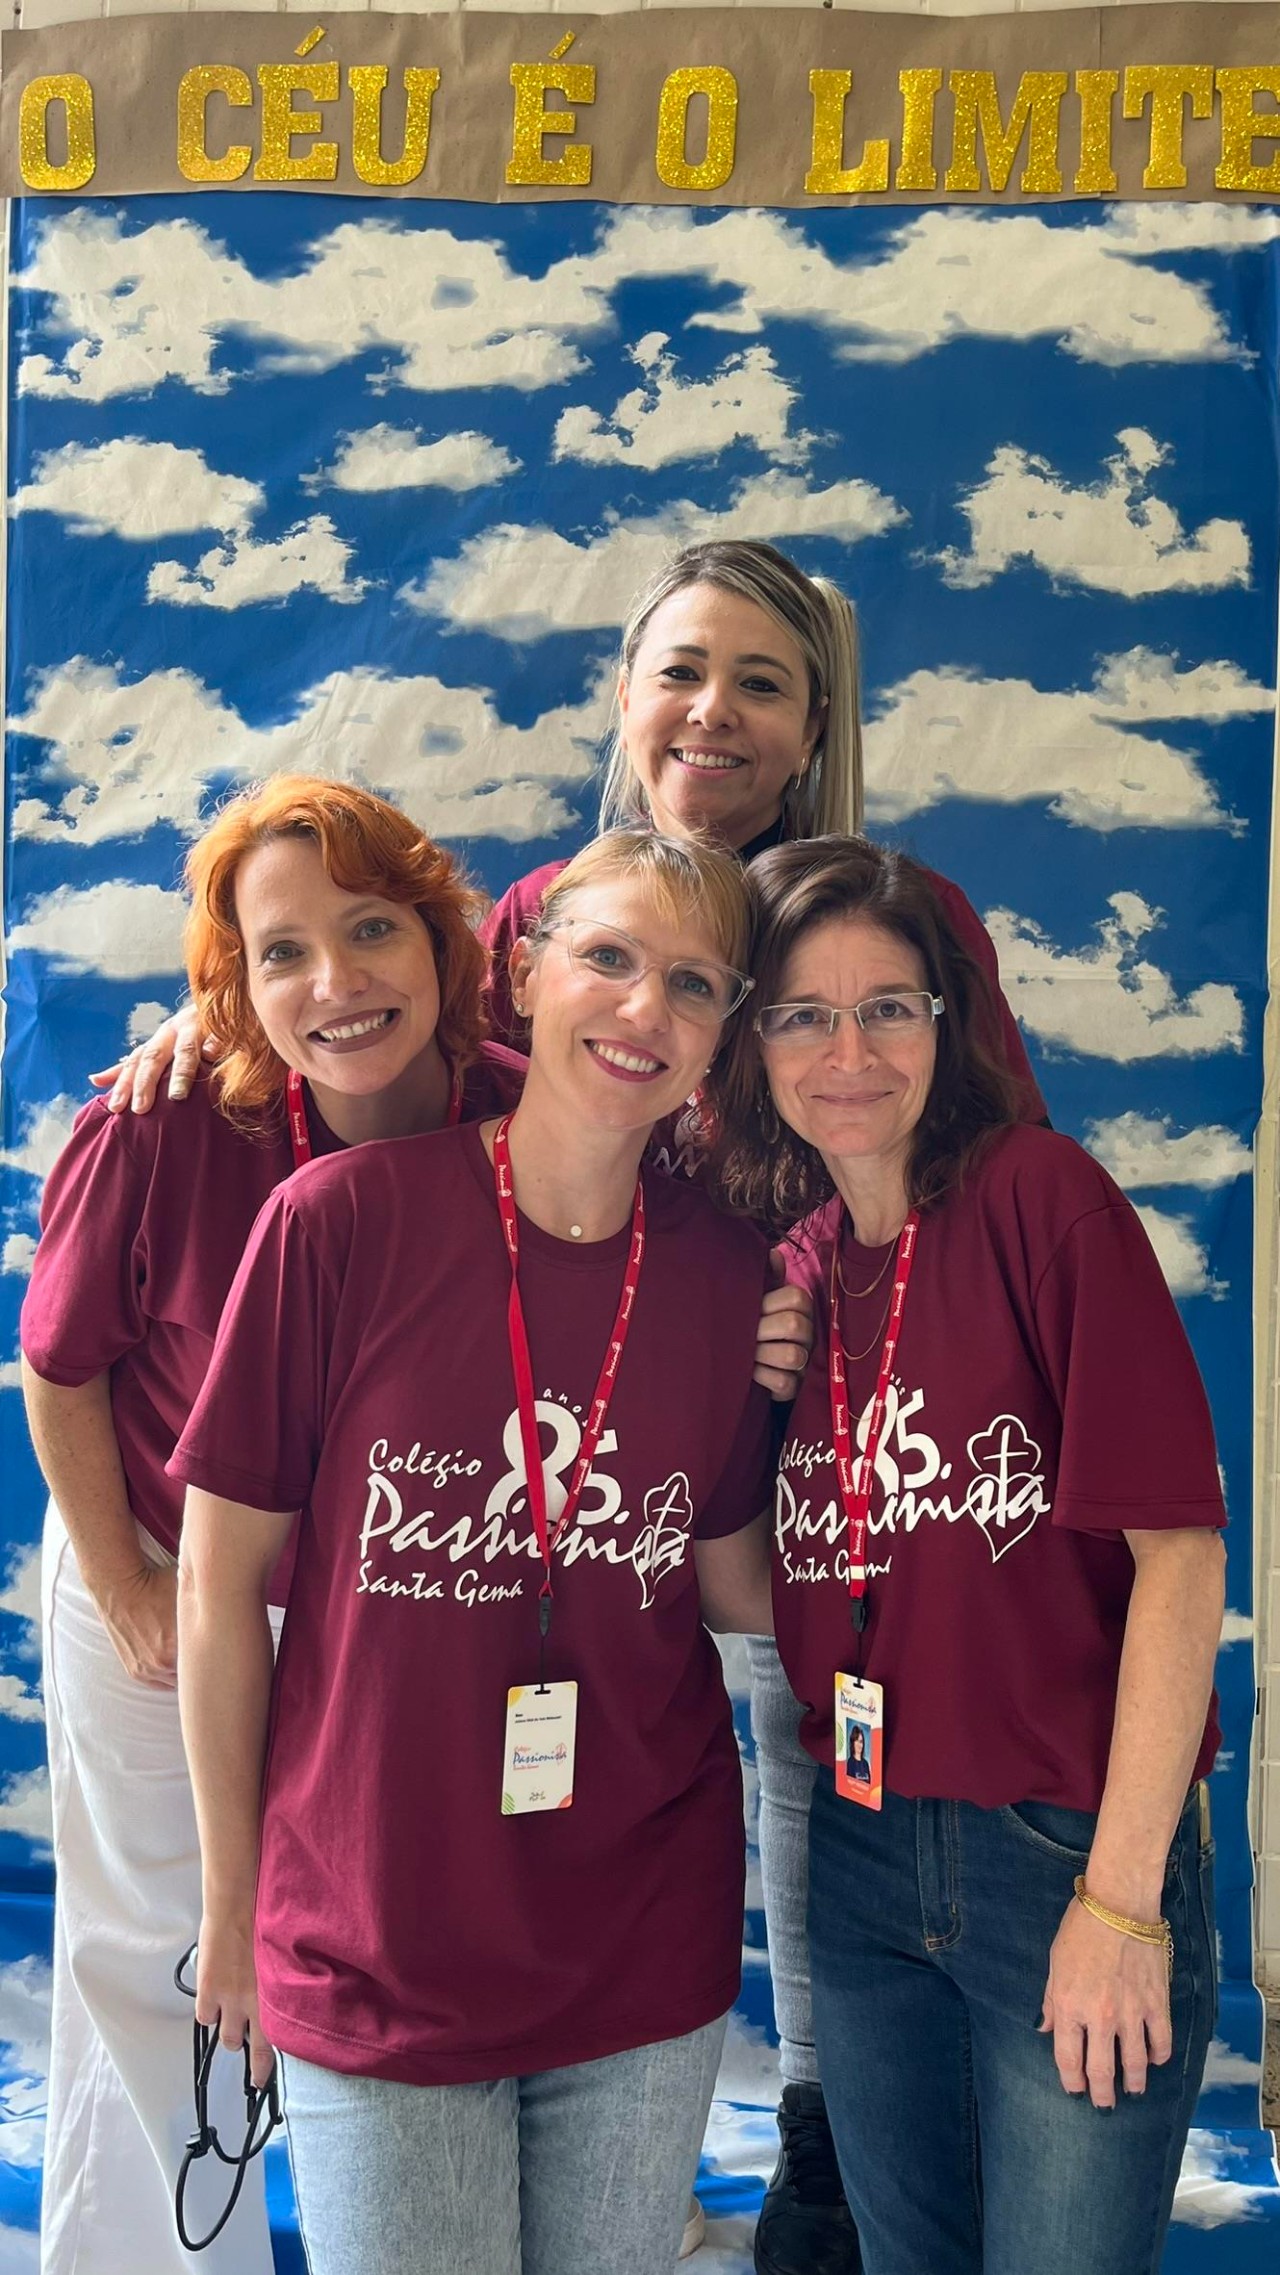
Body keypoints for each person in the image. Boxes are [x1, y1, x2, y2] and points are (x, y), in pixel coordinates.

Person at [100, 537, 1046, 2275]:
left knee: (826, 1800)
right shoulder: (406, 1138)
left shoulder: (877, 919)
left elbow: (980, 1179)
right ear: (525, 973)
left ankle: (836, 2144)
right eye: (683, 667)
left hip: (804, 1475)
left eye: (763, 679)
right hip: (421, 1828)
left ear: (818, 722)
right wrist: (223, 1015)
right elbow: (368, 1004)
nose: (715, 710)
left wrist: (863, 1375)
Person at [168, 830, 778, 2275]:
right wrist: (232, 1907)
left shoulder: (728, 1273)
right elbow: (215, 1589)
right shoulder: (338, 1227)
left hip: (639, 1936)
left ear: (723, 1034)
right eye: (608, 958)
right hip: (378, 1937)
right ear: (525, 972)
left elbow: (736, 1587)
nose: (644, 1009)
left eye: (694, 984)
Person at [20, 775, 527, 2275]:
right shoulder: (165, 1124)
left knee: (369, 1926)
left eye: (370, 929)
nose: (335, 982)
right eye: (281, 952)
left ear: (440, 939)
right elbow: (59, 1368)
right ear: (232, 981)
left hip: (388, 1604)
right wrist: (126, 1584)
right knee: (161, 1950)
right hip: (161, 1559)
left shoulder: (523, 1111)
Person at [708, 835, 1226, 2275]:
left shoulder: (1039, 1202)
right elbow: (754, 1594)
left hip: (1059, 1846)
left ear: (951, 1024)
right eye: (803, 1014)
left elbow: (1182, 1559)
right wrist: (730, 1409)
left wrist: (1120, 1901)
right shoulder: (798, 1276)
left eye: (889, 1007)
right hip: (863, 1849)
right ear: (755, 1045)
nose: (848, 1053)